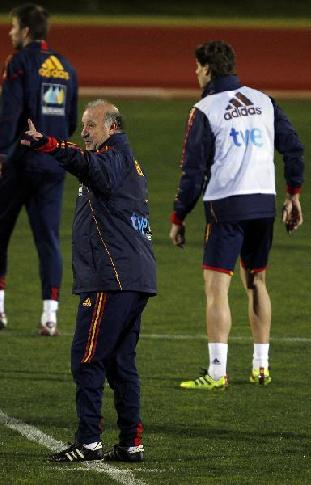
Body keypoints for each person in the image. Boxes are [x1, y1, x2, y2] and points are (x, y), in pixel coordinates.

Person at [21, 99, 156, 461]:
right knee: (120, 364)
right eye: (82, 125)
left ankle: (89, 440)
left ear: (112, 127)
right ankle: (131, 442)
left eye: (90, 125)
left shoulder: (113, 157)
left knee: (87, 358)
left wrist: (49, 144)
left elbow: (87, 165)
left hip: (112, 278)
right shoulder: (124, 162)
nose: (83, 132)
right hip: (133, 276)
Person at [169, 40, 304, 389]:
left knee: (217, 290)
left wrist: (178, 216)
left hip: (227, 205)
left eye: (198, 67)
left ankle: (216, 372)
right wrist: (294, 195)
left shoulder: (205, 108)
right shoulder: (263, 100)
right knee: (256, 281)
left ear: (209, 70)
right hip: (263, 204)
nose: (195, 73)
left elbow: (193, 171)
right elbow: (293, 147)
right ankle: (261, 366)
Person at [0, 3, 78, 336]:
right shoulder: (66, 67)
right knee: (49, 239)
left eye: (13, 27)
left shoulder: (18, 63)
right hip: (52, 163)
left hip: (18, 163)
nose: (10, 32)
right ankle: (50, 317)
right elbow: (71, 121)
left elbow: (10, 114)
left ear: (26, 31)